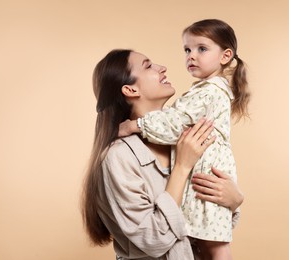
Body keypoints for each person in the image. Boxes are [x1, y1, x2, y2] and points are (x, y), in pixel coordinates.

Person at [81, 49, 244, 260]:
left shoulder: (184, 141)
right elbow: (154, 240)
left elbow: (208, 228)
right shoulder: (118, 157)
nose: (162, 67)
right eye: (148, 66)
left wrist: (234, 200)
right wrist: (182, 167)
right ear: (130, 89)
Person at [118, 19, 250, 259]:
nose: (191, 56)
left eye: (202, 49)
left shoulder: (208, 91)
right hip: (206, 174)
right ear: (129, 90)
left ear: (225, 56)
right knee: (213, 243)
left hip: (208, 174)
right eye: (187, 50)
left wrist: (136, 125)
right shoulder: (121, 156)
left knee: (215, 244)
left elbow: (174, 123)